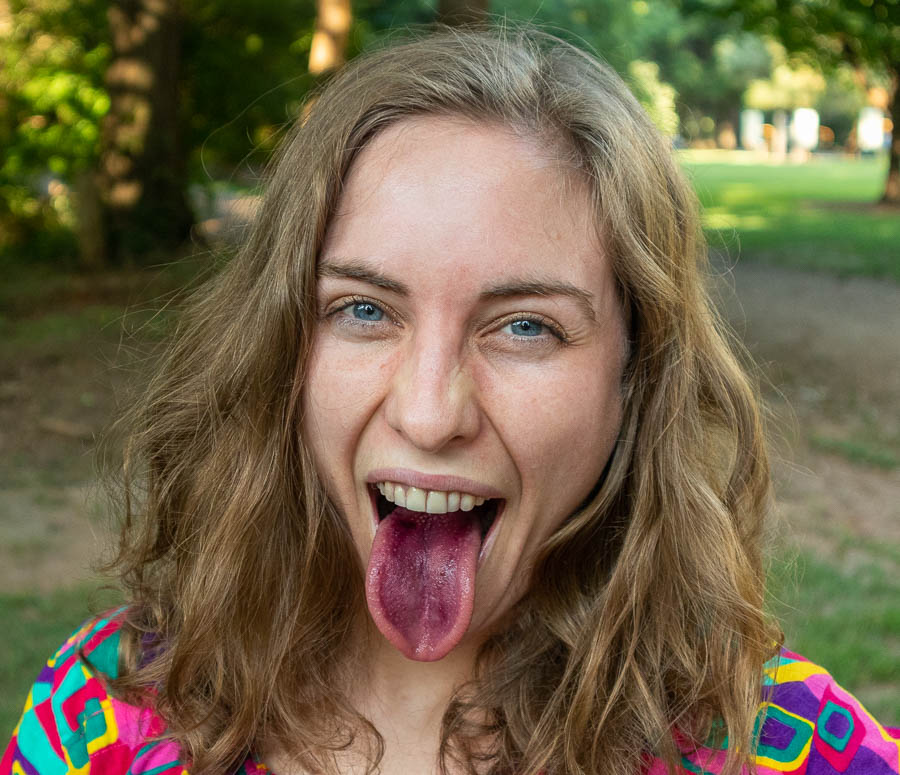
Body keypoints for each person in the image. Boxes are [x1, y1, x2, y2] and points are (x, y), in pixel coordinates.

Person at [2, 27, 898, 775]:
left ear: (638, 375)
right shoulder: (105, 712)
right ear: (284, 350)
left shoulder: (784, 744)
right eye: (363, 309)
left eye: (525, 328)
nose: (430, 415)